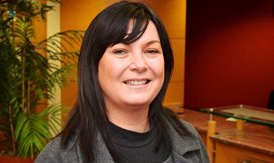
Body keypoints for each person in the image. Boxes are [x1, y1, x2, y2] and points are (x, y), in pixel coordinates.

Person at [35, 1, 209, 163]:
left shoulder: (189, 139)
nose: (140, 65)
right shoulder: (58, 157)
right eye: (120, 51)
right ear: (93, 65)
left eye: (151, 50)